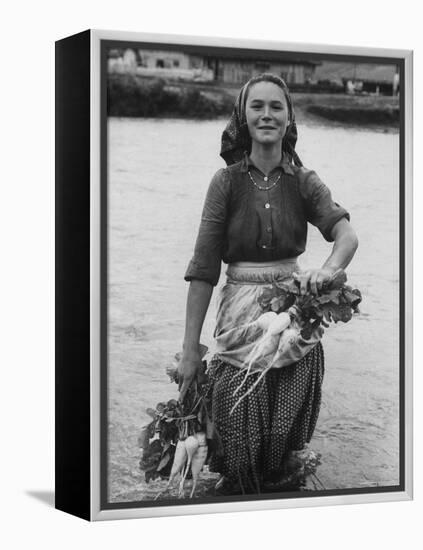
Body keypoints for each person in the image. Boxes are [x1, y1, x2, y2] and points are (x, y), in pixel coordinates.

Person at [178, 73, 358, 495]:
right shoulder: (225, 183)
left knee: (282, 447)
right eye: (256, 106)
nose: (266, 115)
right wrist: (190, 351)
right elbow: (204, 270)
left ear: (289, 116)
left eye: (276, 106)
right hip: (240, 324)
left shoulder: (305, 181)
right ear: (242, 116)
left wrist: (327, 271)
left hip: (294, 321)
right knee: (236, 442)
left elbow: (346, 237)